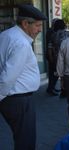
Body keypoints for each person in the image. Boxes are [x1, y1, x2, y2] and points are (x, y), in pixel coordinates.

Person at [0, 4, 46, 150]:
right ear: (25, 23)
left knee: (21, 137)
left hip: (13, 99)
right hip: (18, 100)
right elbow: (7, 78)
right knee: (25, 141)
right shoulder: (21, 43)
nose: (40, 29)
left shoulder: (6, 35)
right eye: (38, 25)